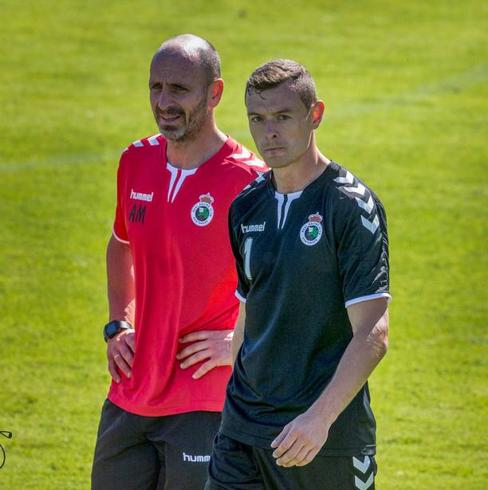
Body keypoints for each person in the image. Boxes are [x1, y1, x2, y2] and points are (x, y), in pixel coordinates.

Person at [206, 59, 391, 490]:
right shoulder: (246, 205)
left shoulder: (350, 206)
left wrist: (318, 419)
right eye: (258, 118)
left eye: (283, 117)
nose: (269, 131)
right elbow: (248, 312)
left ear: (315, 115)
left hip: (323, 437)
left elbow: (373, 332)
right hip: (242, 431)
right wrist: (235, 401)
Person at [91, 34, 265, 490]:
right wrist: (117, 324)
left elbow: (287, 285)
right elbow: (120, 243)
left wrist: (236, 341)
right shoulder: (135, 160)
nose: (163, 102)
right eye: (156, 88)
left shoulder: (251, 184)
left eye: (179, 90)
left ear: (215, 93)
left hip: (204, 399)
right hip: (131, 390)